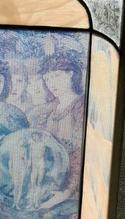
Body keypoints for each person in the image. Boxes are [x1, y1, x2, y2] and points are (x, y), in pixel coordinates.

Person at [29, 54, 85, 209]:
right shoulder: (47, 109)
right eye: (47, 79)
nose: (51, 83)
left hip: (72, 188)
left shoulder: (81, 107)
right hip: (48, 183)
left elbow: (80, 153)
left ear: (70, 74)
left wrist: (66, 192)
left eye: (56, 76)